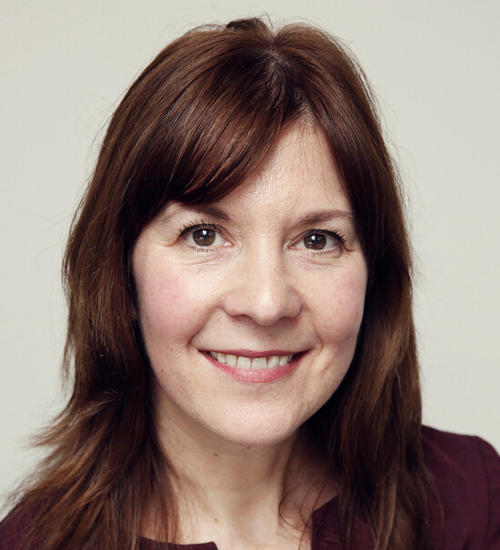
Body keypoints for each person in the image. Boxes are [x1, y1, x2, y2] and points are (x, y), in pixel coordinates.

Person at [0, 17, 498, 550]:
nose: (265, 303)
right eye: (204, 235)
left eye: (317, 240)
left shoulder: (471, 501)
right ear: (120, 273)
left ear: (375, 272)